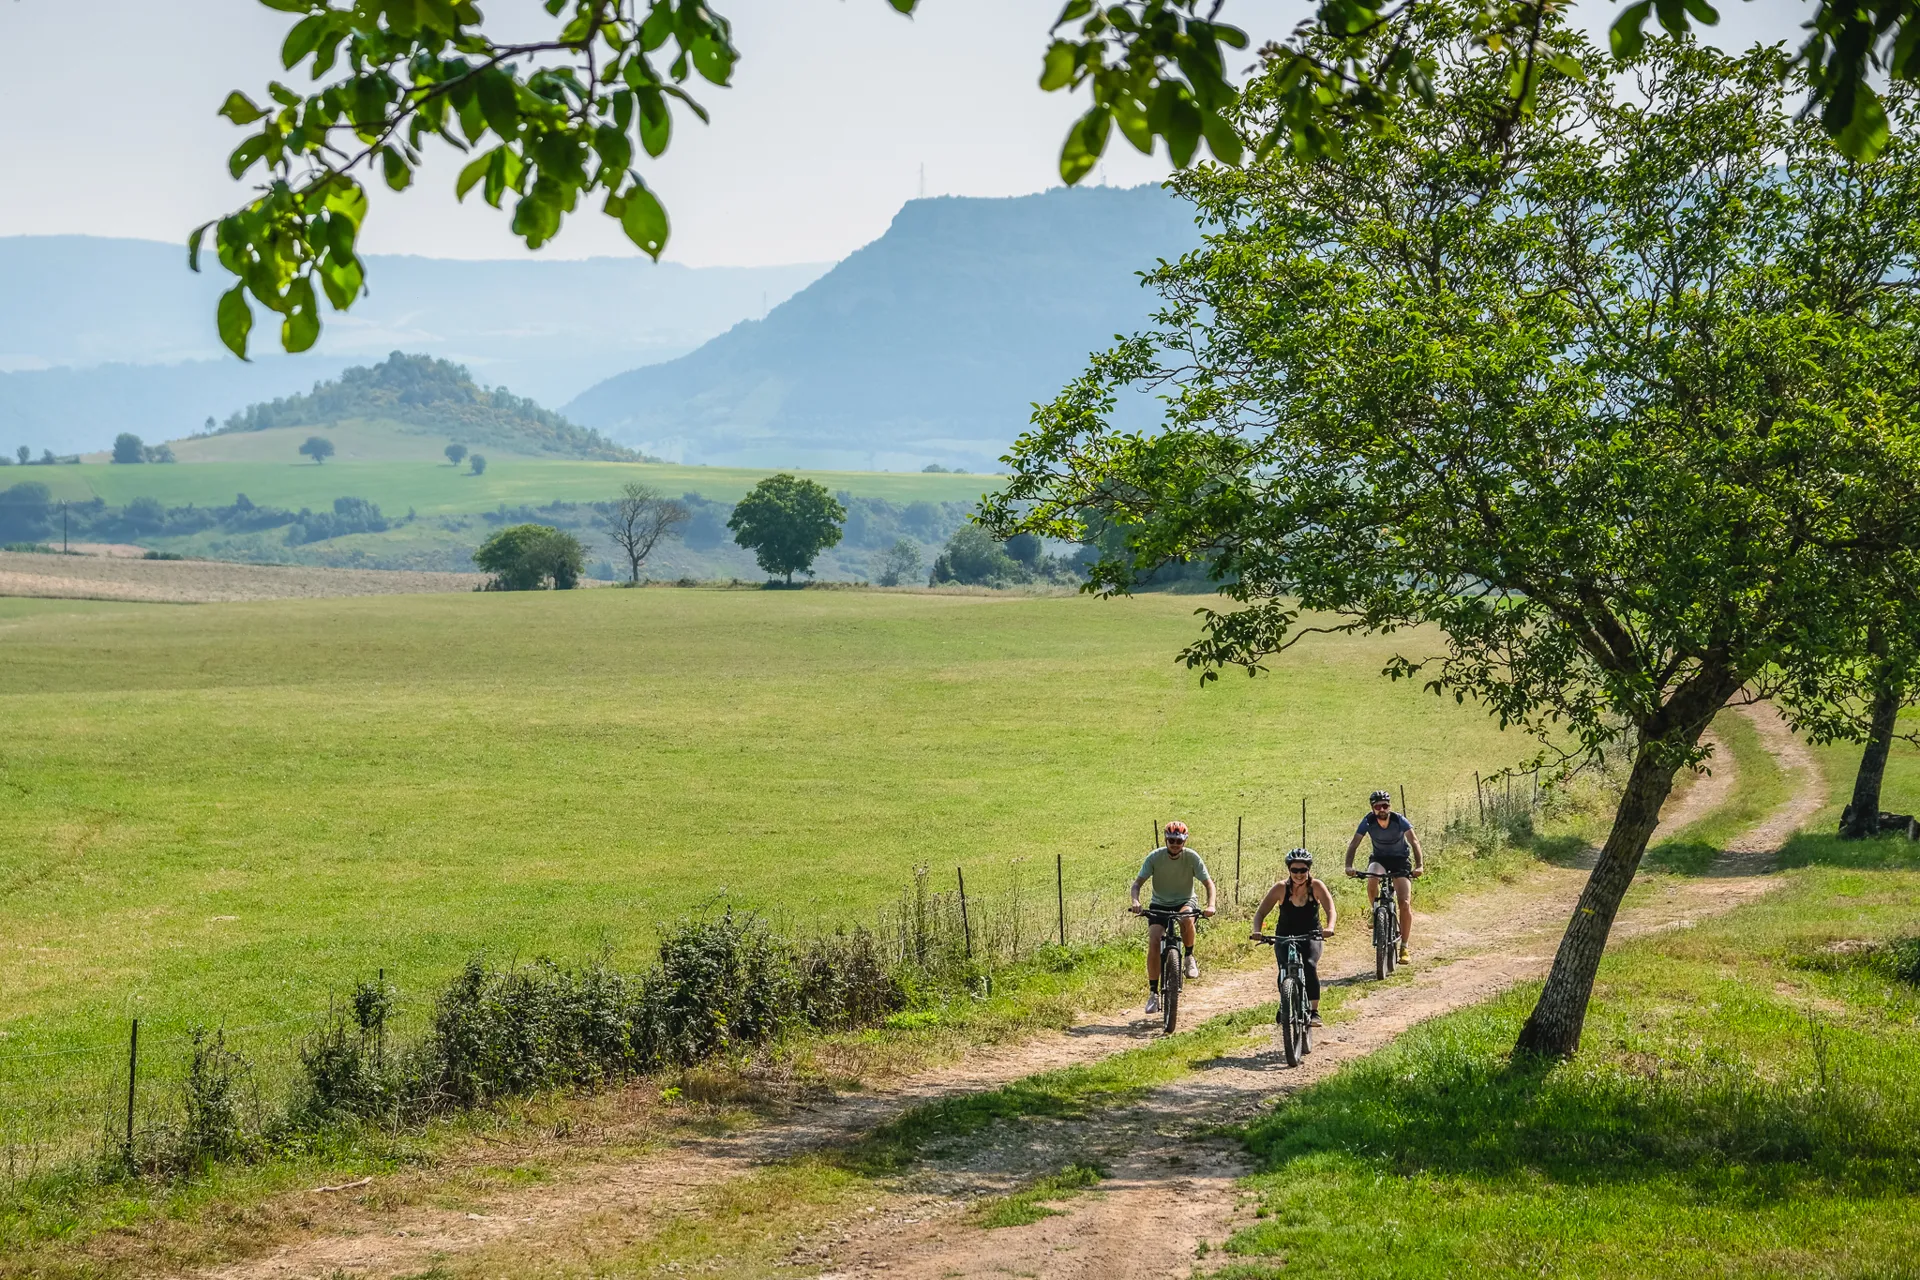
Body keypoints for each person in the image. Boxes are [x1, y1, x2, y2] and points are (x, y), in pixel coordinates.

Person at [1130, 820, 1217, 1014]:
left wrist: (1211, 905)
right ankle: (1153, 993)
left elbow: (1209, 884)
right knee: (1154, 940)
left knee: (1186, 918)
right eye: (1171, 840)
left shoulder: (1192, 858)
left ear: (1185, 841)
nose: (1175, 844)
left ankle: (1188, 956)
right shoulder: (1155, 857)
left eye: (1178, 840)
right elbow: (1137, 884)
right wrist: (1136, 901)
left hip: (1185, 901)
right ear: (1165, 839)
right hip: (1159, 903)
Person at [1251, 849, 1337, 1025]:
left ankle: (1314, 1011)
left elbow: (1330, 909)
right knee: (1284, 968)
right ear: (1289, 870)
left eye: (1303, 870)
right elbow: (1260, 913)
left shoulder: (1316, 886)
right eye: (1295, 870)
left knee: (1309, 965)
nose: (1299, 874)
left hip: (1311, 934)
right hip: (1284, 935)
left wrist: (1329, 927)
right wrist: (1257, 931)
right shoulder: (1280, 888)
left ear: (1309, 870)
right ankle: (1285, 1005)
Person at [1345, 789, 1423, 963]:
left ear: (1389, 807)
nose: (1382, 809)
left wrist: (1419, 866)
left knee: (1404, 903)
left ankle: (1404, 947)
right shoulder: (1368, 821)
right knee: (1372, 877)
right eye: (1378, 806)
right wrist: (1348, 865)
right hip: (1380, 859)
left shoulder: (1399, 820)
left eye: (1385, 806)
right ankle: (1374, 910)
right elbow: (1354, 843)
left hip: (1400, 861)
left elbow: (1414, 841)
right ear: (1372, 808)